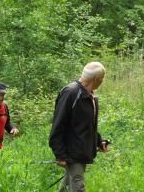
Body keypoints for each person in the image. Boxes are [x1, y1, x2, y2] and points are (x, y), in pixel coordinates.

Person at [49, 62, 109, 192]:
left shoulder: (90, 95)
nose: (102, 81)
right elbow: (58, 125)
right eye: (103, 78)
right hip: (72, 153)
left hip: (81, 151)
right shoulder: (71, 93)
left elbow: (87, 125)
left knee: (67, 186)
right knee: (78, 188)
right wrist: (60, 154)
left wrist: (99, 142)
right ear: (97, 79)